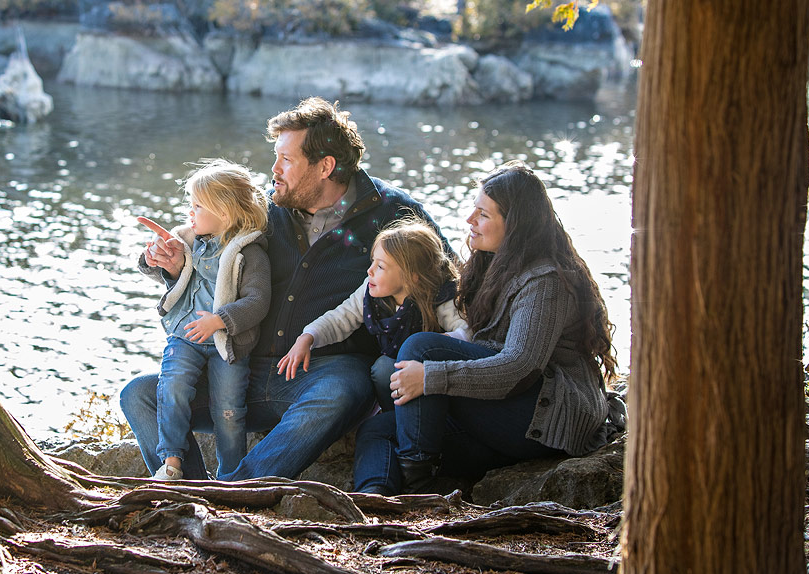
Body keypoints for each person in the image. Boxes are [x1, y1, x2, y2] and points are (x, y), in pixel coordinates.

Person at [123, 97, 453, 481]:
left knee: (343, 390)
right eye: (275, 157)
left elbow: (447, 279)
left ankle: (240, 490)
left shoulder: (393, 213)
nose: (274, 170)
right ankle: (193, 491)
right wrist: (170, 263)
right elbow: (203, 250)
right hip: (238, 367)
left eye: (287, 160)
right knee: (139, 396)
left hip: (323, 373)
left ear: (325, 166)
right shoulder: (263, 208)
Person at [353, 160, 621, 495]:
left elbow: (519, 367)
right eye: (473, 210)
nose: (470, 221)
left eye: (483, 214)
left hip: (545, 420)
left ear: (516, 225)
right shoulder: (493, 265)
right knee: (377, 429)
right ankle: (373, 502)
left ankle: (419, 482)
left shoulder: (546, 281)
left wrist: (432, 377)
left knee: (423, 349)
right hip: (501, 419)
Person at [137, 160, 271, 480]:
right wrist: (161, 259)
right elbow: (170, 263)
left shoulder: (250, 254)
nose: (190, 213)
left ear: (224, 213)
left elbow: (258, 301)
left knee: (228, 411)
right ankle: (171, 463)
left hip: (227, 344)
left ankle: (231, 477)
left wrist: (221, 320)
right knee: (172, 386)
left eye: (198, 206)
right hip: (186, 335)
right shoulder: (192, 241)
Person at [277, 217, 467, 413]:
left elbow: (467, 333)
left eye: (381, 266)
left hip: (431, 375)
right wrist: (308, 337)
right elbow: (341, 317)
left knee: (387, 367)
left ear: (412, 277)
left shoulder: (438, 297)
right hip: (395, 372)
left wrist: (439, 341)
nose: (370, 271)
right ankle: (392, 415)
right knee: (383, 368)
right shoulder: (370, 292)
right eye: (372, 262)